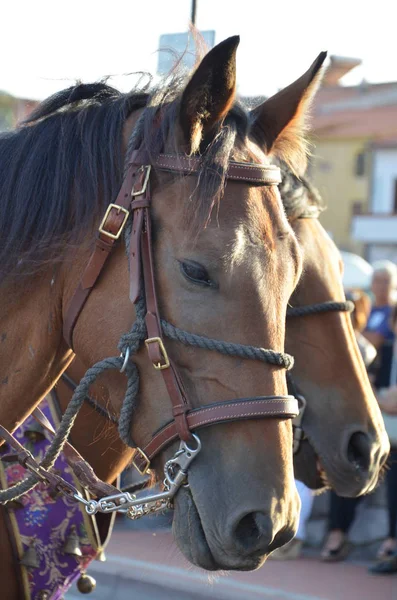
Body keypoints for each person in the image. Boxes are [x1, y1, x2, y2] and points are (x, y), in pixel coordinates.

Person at [321, 289, 377, 561]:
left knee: (352, 468)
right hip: (332, 425)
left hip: (358, 427)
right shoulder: (327, 345)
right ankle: (334, 533)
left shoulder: (366, 350)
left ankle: (337, 534)